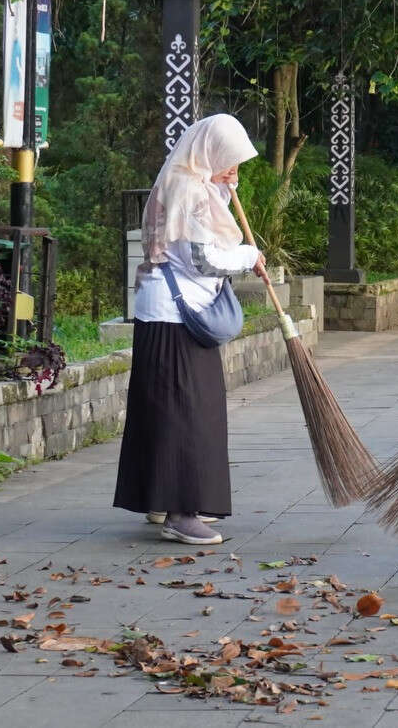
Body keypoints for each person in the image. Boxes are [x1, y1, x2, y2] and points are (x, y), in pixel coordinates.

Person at [114, 114, 267, 545]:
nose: (235, 169)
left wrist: (221, 187)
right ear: (208, 151)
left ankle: (161, 500)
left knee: (164, 409)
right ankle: (181, 514)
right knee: (187, 413)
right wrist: (246, 256)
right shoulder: (186, 188)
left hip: (170, 313)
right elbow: (203, 259)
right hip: (175, 317)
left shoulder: (195, 183)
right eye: (229, 160)